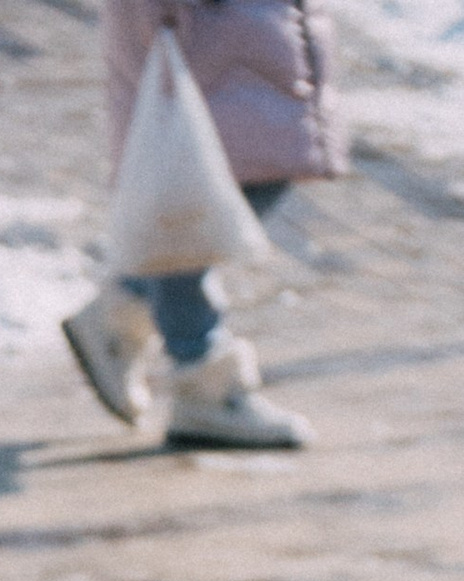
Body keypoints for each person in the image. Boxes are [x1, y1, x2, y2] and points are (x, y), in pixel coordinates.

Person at [64, 0, 346, 448]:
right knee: (189, 193)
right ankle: (198, 373)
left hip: (240, 33)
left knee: (250, 170)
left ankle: (127, 308)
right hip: (203, 28)